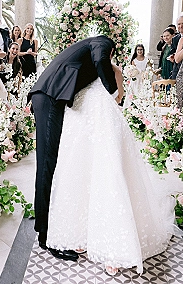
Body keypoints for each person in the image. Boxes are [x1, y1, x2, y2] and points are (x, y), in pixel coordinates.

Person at [46, 61, 175, 276]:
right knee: (82, 174)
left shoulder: (104, 67)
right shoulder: (89, 69)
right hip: (83, 118)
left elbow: (117, 95)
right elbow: (119, 96)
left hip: (102, 119)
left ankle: (113, 247)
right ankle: (82, 234)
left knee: (108, 175)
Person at [28, 35, 119, 262]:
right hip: (49, 97)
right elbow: (100, 59)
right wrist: (114, 93)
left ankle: (44, 220)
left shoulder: (88, 48)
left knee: (53, 164)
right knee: (47, 165)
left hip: (51, 98)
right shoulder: (103, 42)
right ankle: (46, 235)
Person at [170, 14, 183, 79]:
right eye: (179, 24)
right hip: (177, 69)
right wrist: (173, 56)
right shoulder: (175, 39)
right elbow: (173, 51)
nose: (181, 26)